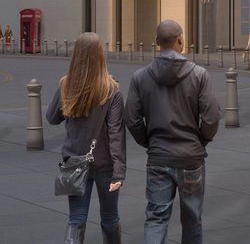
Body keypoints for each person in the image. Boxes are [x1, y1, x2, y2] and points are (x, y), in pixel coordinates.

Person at [124, 19, 221, 244]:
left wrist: (148, 141)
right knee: (192, 219)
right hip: (191, 157)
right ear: (180, 40)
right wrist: (202, 140)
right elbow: (211, 117)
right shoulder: (199, 74)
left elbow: (132, 118)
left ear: (157, 42)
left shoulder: (140, 77)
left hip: (159, 155)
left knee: (156, 218)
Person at [46, 32, 126, 244]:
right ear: (100, 54)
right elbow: (116, 134)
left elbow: (52, 118)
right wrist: (119, 172)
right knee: (110, 218)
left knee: (76, 219)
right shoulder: (111, 89)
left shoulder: (67, 84)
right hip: (105, 164)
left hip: (75, 162)